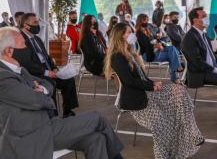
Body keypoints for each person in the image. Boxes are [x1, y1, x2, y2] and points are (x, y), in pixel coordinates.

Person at [0, 26, 124, 159]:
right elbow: (38, 102)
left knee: (96, 139)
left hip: (45, 125)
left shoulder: (20, 70)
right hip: (30, 136)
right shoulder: (3, 77)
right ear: (9, 51)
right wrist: (41, 94)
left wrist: (41, 90)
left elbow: (47, 85)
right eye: (23, 45)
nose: (27, 48)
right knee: (97, 118)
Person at [104, 22, 204, 159]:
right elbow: (129, 81)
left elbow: (141, 77)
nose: (131, 34)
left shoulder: (130, 53)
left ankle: (193, 133)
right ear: (120, 36)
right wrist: (151, 86)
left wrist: (153, 83)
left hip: (147, 93)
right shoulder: (117, 56)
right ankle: (162, 156)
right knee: (161, 123)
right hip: (137, 101)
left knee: (179, 91)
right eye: (128, 32)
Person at [15, 13, 79, 117]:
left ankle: (68, 111)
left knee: (69, 80)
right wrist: (46, 72)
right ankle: (53, 116)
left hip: (48, 71)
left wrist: (54, 68)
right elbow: (27, 63)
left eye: (38, 22)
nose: (38, 25)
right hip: (35, 74)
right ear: (26, 25)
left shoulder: (37, 39)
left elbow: (47, 57)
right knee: (50, 84)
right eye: (35, 22)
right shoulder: (21, 40)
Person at [182, 7, 217, 124]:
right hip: (199, 73)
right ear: (195, 20)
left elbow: (212, 55)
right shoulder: (189, 37)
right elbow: (197, 62)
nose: (207, 18)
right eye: (203, 16)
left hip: (209, 69)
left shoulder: (204, 34)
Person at [135, 14, 182, 83]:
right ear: (140, 21)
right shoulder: (139, 33)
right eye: (144, 20)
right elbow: (146, 45)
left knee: (172, 49)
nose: (147, 22)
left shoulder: (147, 30)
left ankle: (176, 72)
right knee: (172, 55)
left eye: (147, 20)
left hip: (157, 51)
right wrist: (156, 45)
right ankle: (176, 73)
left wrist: (158, 39)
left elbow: (154, 40)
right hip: (148, 54)